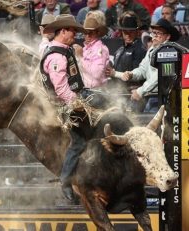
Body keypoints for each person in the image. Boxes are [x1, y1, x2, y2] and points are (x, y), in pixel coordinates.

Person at [40, 14, 87, 201]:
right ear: (63, 31)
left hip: (71, 100)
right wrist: (76, 103)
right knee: (79, 142)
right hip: (64, 107)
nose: (75, 33)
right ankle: (66, 181)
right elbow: (60, 88)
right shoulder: (57, 56)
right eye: (72, 30)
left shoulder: (61, 51)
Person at [112, 18, 180, 113]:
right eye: (153, 33)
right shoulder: (152, 49)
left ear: (167, 36)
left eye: (158, 33)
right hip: (151, 97)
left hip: (164, 99)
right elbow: (143, 69)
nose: (154, 36)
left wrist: (140, 91)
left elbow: (162, 77)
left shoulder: (170, 51)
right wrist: (132, 74)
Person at [106, 12, 146, 82]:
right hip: (118, 88)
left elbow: (139, 75)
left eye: (131, 32)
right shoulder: (119, 50)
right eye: (125, 32)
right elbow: (113, 71)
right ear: (121, 32)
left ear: (137, 32)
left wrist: (115, 73)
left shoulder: (141, 49)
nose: (128, 35)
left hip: (132, 89)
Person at [73, 16, 110, 89]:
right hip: (87, 90)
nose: (88, 35)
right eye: (85, 32)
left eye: (91, 33)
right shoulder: (85, 49)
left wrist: (80, 57)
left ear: (97, 33)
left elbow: (96, 74)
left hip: (96, 92)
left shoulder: (101, 49)